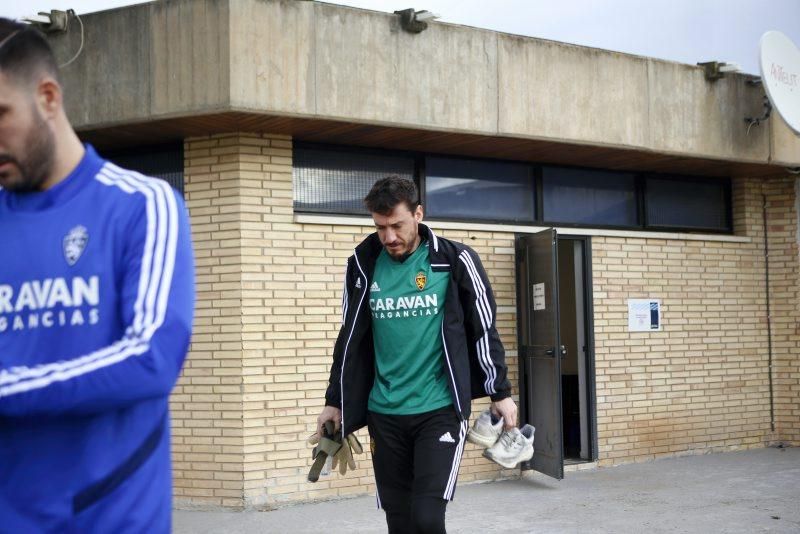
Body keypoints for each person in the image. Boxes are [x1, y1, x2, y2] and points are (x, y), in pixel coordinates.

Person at [0, 19, 194, 532]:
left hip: (110, 517)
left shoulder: (143, 205)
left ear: (47, 97)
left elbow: (152, 356)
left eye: (0, 115)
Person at [317, 176, 517, 533]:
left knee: (426, 517)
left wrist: (499, 391)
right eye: (380, 227)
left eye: (397, 225)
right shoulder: (363, 265)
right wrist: (336, 401)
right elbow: (349, 338)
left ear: (418, 213)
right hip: (384, 412)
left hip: (438, 410)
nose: (389, 237)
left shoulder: (454, 260)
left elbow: (483, 327)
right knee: (400, 520)